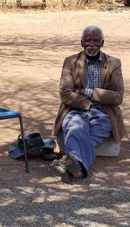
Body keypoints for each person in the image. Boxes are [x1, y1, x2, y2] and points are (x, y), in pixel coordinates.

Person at [52, 25, 125, 183]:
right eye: (88, 40)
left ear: (102, 43)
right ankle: (77, 170)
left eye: (96, 40)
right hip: (77, 109)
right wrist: (89, 103)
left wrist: (86, 92)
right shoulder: (71, 62)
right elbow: (65, 93)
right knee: (75, 127)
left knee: (93, 135)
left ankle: (72, 165)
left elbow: (117, 97)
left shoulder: (114, 63)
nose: (91, 44)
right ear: (81, 42)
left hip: (103, 114)